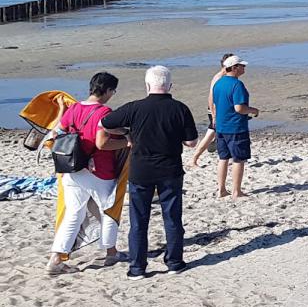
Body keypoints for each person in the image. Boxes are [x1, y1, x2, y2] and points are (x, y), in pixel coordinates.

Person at [99, 66, 198, 279]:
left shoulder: (134, 108)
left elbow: (105, 123)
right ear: (170, 86)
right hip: (169, 170)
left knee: (139, 221)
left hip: (141, 171)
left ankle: (137, 267)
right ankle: (174, 262)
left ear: (147, 86)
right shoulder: (180, 109)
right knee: (172, 218)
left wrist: (126, 133)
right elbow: (191, 142)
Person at [47, 72, 128, 274]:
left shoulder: (74, 108)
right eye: (113, 91)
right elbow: (103, 143)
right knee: (108, 210)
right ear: (108, 91)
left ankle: (56, 258)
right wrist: (127, 142)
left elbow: (58, 132)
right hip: (99, 170)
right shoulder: (104, 112)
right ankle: (111, 252)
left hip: (73, 169)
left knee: (73, 213)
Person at [211, 56, 259, 199]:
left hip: (221, 127)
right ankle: (236, 191)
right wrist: (253, 110)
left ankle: (221, 189)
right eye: (241, 66)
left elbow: (213, 103)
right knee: (238, 159)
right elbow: (239, 108)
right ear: (234, 68)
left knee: (223, 158)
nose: (244, 68)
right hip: (235, 127)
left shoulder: (218, 83)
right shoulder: (237, 85)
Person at [190, 53, 234, 167]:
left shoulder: (228, 77)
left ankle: (226, 154)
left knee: (222, 132)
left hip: (222, 110)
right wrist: (214, 115)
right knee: (210, 133)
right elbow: (211, 97)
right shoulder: (219, 77)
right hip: (215, 110)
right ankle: (194, 159)